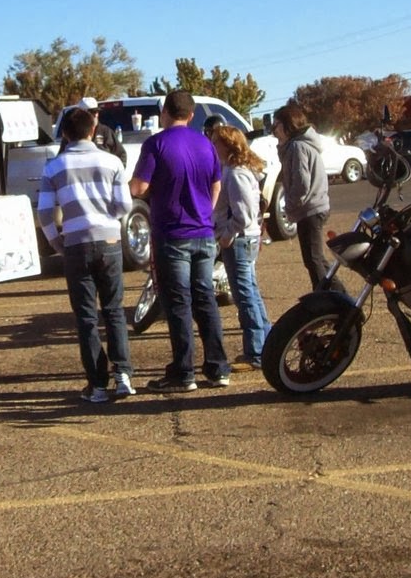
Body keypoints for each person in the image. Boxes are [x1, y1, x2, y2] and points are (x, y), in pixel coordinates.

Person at [130, 90, 229, 393]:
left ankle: (183, 371)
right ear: (191, 112)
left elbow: (138, 187)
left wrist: (147, 192)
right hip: (202, 232)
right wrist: (205, 212)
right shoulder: (206, 143)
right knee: (206, 299)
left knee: (178, 303)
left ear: (164, 112)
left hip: (172, 233)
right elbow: (216, 184)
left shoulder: (155, 144)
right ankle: (217, 367)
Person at [38, 104, 136, 402]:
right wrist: (109, 217)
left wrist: (57, 242)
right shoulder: (111, 162)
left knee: (86, 316)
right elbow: (125, 206)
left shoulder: (53, 167)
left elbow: (45, 212)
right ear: (93, 129)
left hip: (75, 244)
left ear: (65, 134)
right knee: (114, 310)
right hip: (108, 241)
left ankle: (97, 384)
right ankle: (123, 374)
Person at [211, 125, 271, 371]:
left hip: (240, 240)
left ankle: (256, 351)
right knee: (250, 292)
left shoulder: (236, 173)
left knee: (244, 294)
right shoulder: (233, 170)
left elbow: (244, 214)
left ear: (228, 145)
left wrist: (227, 235)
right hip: (243, 239)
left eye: (216, 142)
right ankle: (265, 342)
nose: (213, 147)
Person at [272, 101, 331, 290]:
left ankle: (328, 299)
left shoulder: (297, 147)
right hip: (313, 207)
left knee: (313, 260)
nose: (273, 131)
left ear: (288, 125)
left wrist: (289, 205)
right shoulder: (296, 146)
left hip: (310, 210)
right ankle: (338, 298)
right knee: (317, 259)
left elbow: (301, 184)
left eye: (276, 126)